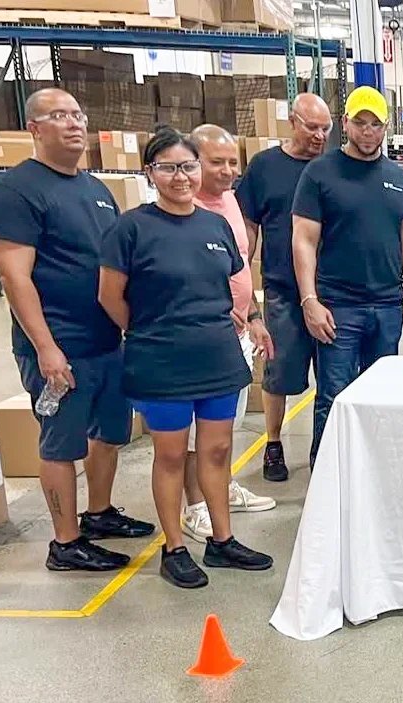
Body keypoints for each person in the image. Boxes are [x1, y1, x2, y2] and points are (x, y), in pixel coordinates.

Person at [0, 87, 154, 573]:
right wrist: (46, 348)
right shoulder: (18, 191)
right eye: (58, 116)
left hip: (106, 341)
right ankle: (65, 542)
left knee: (109, 434)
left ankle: (98, 514)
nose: (74, 124)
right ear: (34, 129)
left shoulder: (96, 191)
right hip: (61, 345)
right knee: (62, 441)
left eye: (78, 114)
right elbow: (15, 276)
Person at [98, 127, 272, 588]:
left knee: (216, 451)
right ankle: (174, 548)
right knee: (171, 455)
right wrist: (148, 329)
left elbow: (236, 283)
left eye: (188, 166)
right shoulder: (131, 228)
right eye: (169, 167)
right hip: (161, 362)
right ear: (149, 173)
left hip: (216, 356)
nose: (181, 177)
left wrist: (252, 315)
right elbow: (110, 296)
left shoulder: (215, 224)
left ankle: (222, 540)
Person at [292, 87, 403, 467]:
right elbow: (304, 241)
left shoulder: (399, 178)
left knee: (379, 396)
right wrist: (310, 301)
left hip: (388, 307)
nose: (368, 131)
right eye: (360, 123)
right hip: (338, 307)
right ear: (346, 124)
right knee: (334, 397)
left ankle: (372, 475)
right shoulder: (319, 173)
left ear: (385, 127)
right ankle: (327, 478)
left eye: (375, 124)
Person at [175, 125, 276, 544]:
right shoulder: (182, 210)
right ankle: (195, 506)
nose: (228, 170)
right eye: (217, 162)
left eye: (234, 161)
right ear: (193, 163)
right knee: (194, 430)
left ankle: (222, 485)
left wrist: (251, 313)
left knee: (223, 424)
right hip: (199, 337)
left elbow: (238, 267)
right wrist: (217, 312)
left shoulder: (231, 202)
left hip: (233, 333)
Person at [237, 94, 330, 483]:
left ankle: (323, 448)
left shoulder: (333, 168)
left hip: (332, 291)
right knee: (279, 372)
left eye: (326, 129)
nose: (320, 136)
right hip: (282, 289)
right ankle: (273, 444)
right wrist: (243, 285)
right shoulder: (265, 167)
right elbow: (249, 228)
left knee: (332, 376)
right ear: (293, 122)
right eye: (312, 127)